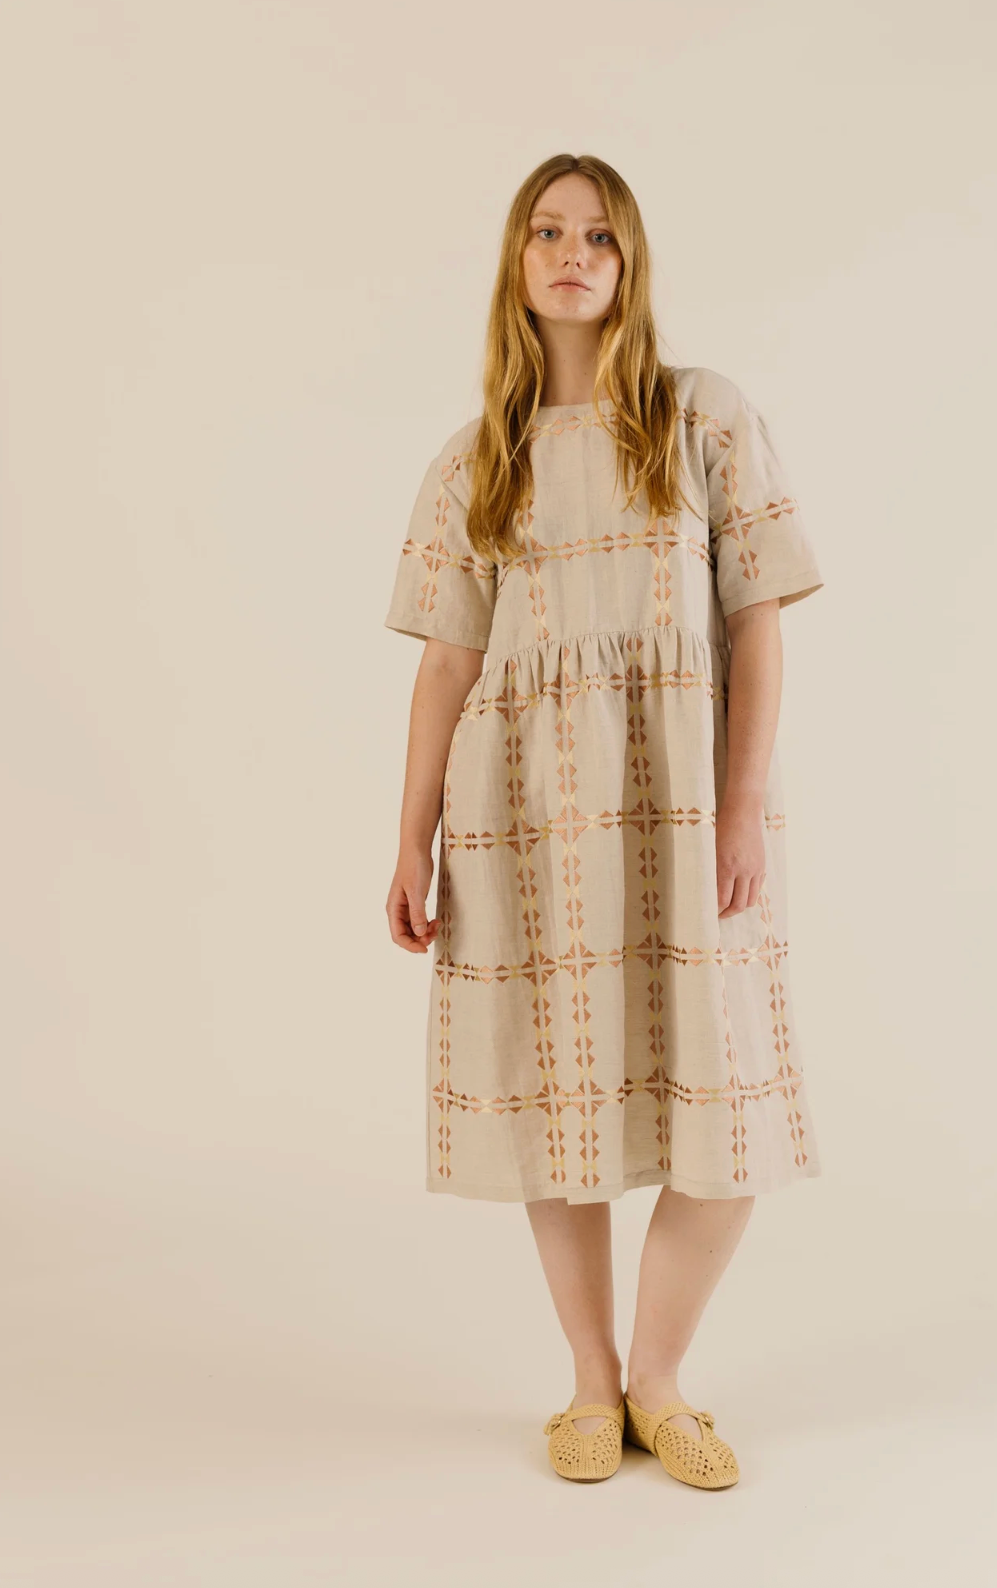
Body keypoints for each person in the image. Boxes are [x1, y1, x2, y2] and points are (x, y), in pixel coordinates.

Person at [383, 152, 825, 1488]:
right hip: (522, 812)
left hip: (684, 807)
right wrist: (410, 839)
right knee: (558, 1097)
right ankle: (589, 1383)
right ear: (515, 263)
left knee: (726, 1104)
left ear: (629, 263)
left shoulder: (701, 417)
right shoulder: (474, 460)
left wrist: (739, 806)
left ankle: (660, 1382)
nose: (571, 254)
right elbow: (446, 664)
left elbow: (757, 623)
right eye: (547, 233)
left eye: (598, 236)